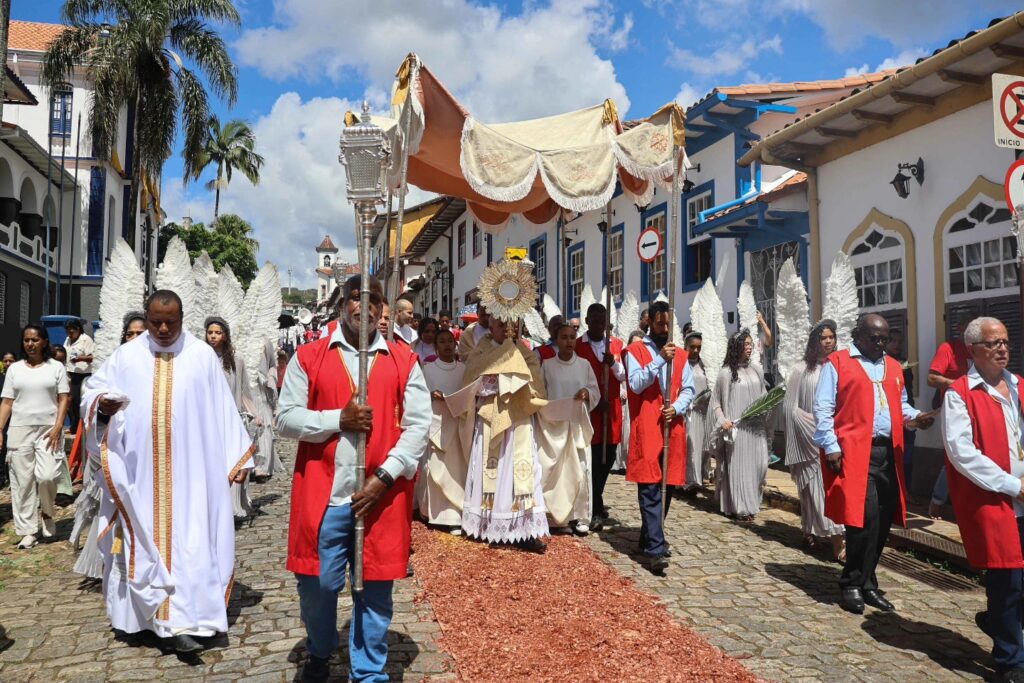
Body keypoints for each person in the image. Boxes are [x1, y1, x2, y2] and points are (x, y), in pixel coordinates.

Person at [277, 275, 430, 683]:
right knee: (317, 586)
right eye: (356, 299)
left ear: (383, 308)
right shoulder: (310, 356)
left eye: (374, 299)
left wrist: (385, 476)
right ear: (343, 304)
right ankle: (320, 650)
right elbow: (285, 417)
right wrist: (336, 419)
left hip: (380, 496)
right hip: (324, 496)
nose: (365, 306)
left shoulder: (403, 360)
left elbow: (418, 426)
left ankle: (369, 671)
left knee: (376, 588)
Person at [81, 290, 253, 652]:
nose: (162, 329)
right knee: (140, 540)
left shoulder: (201, 356)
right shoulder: (127, 356)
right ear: (147, 315)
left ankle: (188, 621)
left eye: (170, 322)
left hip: (193, 478)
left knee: (190, 545)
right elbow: (92, 391)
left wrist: (238, 459)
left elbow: (222, 409)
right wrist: (102, 405)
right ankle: (139, 619)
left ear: (182, 317)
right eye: (156, 321)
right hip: (139, 475)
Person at [814, 313, 933, 615]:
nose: (881, 344)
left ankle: (869, 582)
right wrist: (830, 446)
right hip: (854, 453)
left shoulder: (892, 367)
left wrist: (916, 418)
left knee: (881, 521)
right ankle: (851, 582)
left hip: (887, 452)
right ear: (857, 336)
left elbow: (900, 404)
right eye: (874, 338)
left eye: (885, 338)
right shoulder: (838, 363)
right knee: (862, 519)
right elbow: (823, 407)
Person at [942, 317, 1024, 682]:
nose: (1002, 348)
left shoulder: (1019, 385)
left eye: (1005, 342)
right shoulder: (959, 393)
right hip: (997, 498)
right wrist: (1011, 484)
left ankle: (996, 623)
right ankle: (1010, 661)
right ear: (973, 349)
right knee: (1007, 581)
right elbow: (962, 452)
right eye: (993, 343)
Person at [453, 311, 549, 553]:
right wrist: (501, 381)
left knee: (523, 473)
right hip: (490, 420)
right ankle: (488, 524)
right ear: (492, 325)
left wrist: (517, 381)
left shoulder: (525, 352)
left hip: (519, 421)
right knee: (491, 469)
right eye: (501, 323)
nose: (507, 329)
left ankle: (524, 530)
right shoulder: (481, 351)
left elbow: (536, 387)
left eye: (512, 323)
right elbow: (473, 384)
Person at [72, 312, 148, 581]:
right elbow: (90, 399)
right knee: (116, 513)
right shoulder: (114, 366)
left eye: (142, 333)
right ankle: (116, 566)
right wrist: (103, 406)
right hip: (116, 454)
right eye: (131, 333)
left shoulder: (163, 365)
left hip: (151, 460)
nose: (136, 338)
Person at [624, 301, 695, 573]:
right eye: (660, 324)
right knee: (650, 486)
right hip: (648, 425)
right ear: (649, 323)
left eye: (668, 324)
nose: (665, 329)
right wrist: (659, 361)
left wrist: (676, 407)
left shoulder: (681, 355)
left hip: (671, 425)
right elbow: (636, 383)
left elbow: (688, 388)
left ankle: (649, 536)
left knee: (668, 486)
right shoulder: (635, 351)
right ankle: (655, 548)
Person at [0, 325, 70, 549]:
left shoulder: (55, 367)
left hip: (48, 430)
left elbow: (64, 398)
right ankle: (28, 531)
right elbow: (8, 402)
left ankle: (48, 512)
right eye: (27, 340)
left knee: (47, 475)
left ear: (44, 342)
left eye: (35, 340)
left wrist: (59, 425)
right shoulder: (15, 369)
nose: (30, 344)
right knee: (23, 483)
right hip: (20, 430)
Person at [783, 321, 845, 560]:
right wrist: (811, 426)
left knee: (830, 490)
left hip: (834, 438)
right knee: (812, 489)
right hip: (807, 437)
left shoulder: (840, 366)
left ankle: (830, 535)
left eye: (831, 337)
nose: (828, 341)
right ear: (814, 342)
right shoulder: (802, 369)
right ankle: (820, 533)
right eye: (823, 338)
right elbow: (790, 407)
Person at [539, 323, 599, 534]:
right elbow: (541, 394)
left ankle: (581, 515)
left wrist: (587, 392)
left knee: (581, 470)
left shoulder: (584, 365)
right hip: (554, 426)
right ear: (556, 339)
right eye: (564, 337)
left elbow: (595, 390)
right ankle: (557, 516)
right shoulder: (547, 365)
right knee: (558, 471)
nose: (569, 342)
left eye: (572, 337)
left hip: (576, 426)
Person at [575, 304, 624, 531]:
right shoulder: (578, 346)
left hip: (611, 409)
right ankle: (594, 509)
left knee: (609, 457)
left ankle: (598, 499)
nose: (598, 324)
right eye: (594, 320)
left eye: (601, 320)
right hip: (590, 410)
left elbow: (624, 376)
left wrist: (612, 363)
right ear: (587, 320)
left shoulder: (616, 345)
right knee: (592, 459)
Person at [206, 317, 260, 520]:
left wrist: (254, 412)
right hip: (210, 421)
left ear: (225, 335)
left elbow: (245, 391)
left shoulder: (236, 362)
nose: (213, 336)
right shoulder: (202, 359)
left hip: (232, 419)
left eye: (217, 333)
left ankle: (232, 506)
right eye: (210, 332)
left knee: (234, 463)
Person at [713, 330, 769, 521]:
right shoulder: (726, 373)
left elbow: (763, 395)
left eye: (751, 344)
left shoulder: (757, 370)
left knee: (758, 466)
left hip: (755, 428)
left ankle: (752, 502)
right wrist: (723, 421)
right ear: (736, 347)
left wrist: (767, 407)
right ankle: (740, 507)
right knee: (739, 467)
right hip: (736, 429)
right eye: (745, 344)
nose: (749, 347)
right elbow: (716, 404)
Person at [417, 330, 468, 530]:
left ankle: (456, 511)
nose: (447, 345)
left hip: (458, 423)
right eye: (442, 342)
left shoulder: (464, 369)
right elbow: (418, 395)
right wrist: (431, 395)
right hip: (437, 423)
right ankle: (433, 512)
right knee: (435, 469)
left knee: (457, 468)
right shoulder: (427, 370)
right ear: (436, 346)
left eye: (450, 341)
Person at [928, 325, 972, 518]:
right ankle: (937, 501)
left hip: (980, 409)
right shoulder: (948, 348)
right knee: (954, 456)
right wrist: (957, 384)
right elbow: (931, 378)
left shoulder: (981, 351)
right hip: (955, 410)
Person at [683, 332, 713, 492]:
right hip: (689, 412)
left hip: (704, 412)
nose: (695, 350)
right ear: (686, 346)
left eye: (698, 348)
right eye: (692, 347)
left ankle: (700, 478)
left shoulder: (705, 366)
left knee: (703, 449)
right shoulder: (681, 364)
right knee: (691, 447)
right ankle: (689, 482)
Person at [63, 318, 94, 433]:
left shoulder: (86, 340)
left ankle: (79, 428)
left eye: (72, 330)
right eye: (67, 330)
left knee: (77, 401)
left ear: (78, 329)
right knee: (68, 402)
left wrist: (80, 358)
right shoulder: (67, 339)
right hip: (69, 373)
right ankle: (73, 426)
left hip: (81, 375)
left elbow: (93, 357)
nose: (70, 332)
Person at [0, 350, 15, 488]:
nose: (8, 363)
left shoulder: (18, 378)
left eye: (11, 361)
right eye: (6, 361)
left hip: (16, 417)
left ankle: (12, 477)